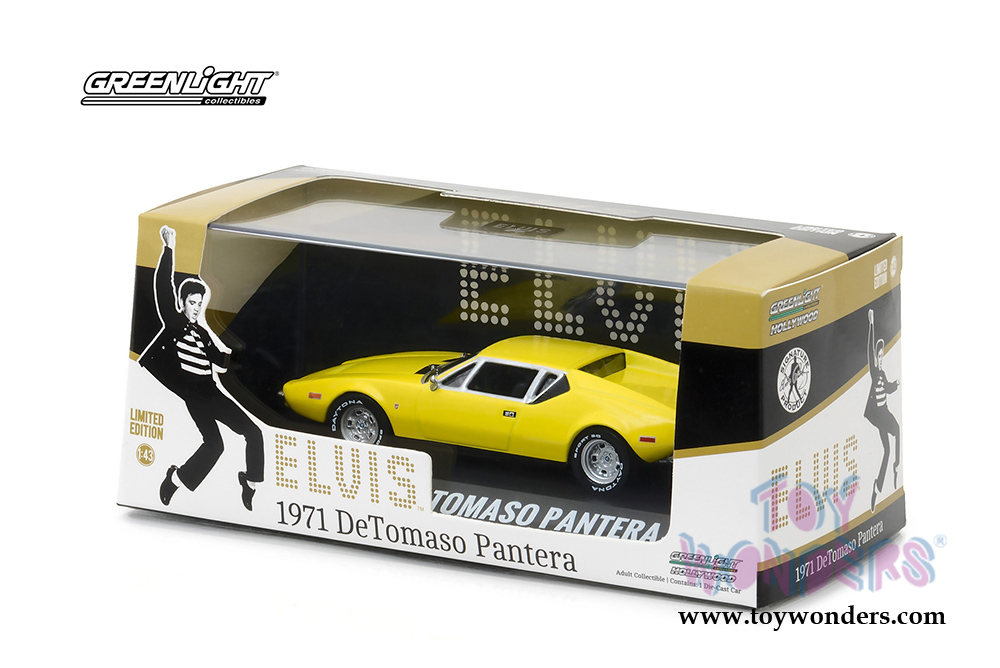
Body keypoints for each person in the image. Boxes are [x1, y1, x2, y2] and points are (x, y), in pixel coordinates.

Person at [140, 226, 264, 510]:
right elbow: (162, 287)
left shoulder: (203, 333)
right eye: (192, 303)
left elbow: (222, 361)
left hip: (211, 392)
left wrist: (248, 352)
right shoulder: (174, 324)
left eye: (200, 304)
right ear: (182, 303)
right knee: (216, 445)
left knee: (248, 434)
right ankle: (175, 479)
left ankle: (250, 482)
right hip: (193, 394)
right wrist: (169, 248)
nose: (196, 308)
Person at [865, 308, 900, 513]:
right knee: (897, 430)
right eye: (878, 356)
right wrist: (871, 324)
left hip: (883, 413)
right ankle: (896, 465)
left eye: (881, 355)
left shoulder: (883, 374)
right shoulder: (874, 372)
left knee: (887, 450)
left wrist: (896, 384)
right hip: (877, 415)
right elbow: (869, 350)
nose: (879, 358)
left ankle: (878, 487)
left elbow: (887, 388)